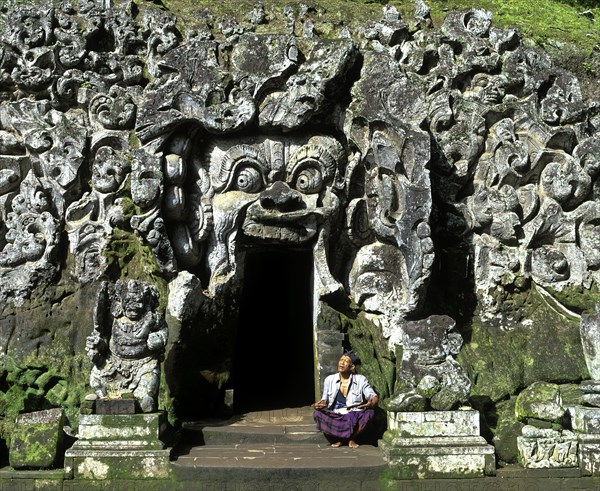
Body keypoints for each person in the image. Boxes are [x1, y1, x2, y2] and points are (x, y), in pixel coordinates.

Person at [313, 351, 379, 448]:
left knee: (369, 413)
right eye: (341, 360)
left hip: (354, 413)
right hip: (337, 414)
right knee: (317, 413)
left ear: (352, 367)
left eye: (346, 361)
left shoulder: (361, 379)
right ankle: (346, 438)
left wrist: (372, 402)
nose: (342, 363)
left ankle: (349, 438)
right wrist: (320, 404)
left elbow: (373, 396)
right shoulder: (329, 380)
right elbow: (325, 400)